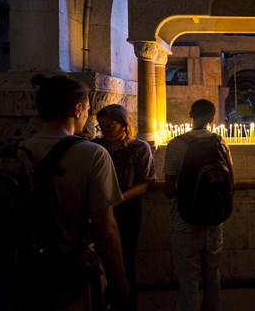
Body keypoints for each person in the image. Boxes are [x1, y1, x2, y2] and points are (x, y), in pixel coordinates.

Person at [19, 74, 129, 310]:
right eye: (88, 109)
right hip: (75, 271)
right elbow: (105, 228)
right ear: (78, 109)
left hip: (30, 270)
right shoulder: (93, 155)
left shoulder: (22, 150)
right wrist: (119, 277)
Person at [162, 99, 233, 311]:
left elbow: (168, 191)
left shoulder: (176, 145)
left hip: (184, 221)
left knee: (189, 284)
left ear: (190, 115)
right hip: (214, 220)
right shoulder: (220, 143)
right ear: (212, 118)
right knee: (213, 278)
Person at [92, 104, 155, 311]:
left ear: (123, 124)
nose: (106, 131)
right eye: (102, 128)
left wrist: (116, 200)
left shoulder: (139, 148)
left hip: (126, 211)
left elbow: (144, 182)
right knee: (99, 259)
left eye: (110, 127)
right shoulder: (96, 147)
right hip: (99, 211)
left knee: (125, 257)